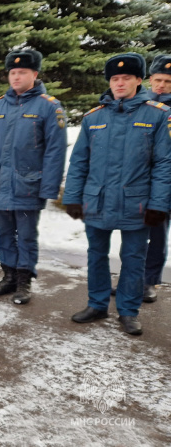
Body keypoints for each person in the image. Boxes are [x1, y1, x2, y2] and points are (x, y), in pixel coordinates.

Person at [64, 53, 171, 336]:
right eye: (114, 78)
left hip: (137, 203)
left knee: (134, 258)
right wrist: (73, 197)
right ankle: (97, 304)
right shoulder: (94, 117)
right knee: (96, 254)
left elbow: (164, 163)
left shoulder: (159, 115)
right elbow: (79, 162)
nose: (120, 83)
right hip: (97, 200)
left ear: (139, 80)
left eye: (126, 78)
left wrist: (159, 204)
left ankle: (128, 310)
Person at [0, 50, 67, 305]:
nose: (16, 77)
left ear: (34, 74)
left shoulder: (49, 107)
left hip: (27, 186)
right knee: (3, 234)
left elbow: (55, 153)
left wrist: (48, 188)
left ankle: (24, 281)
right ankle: (8, 275)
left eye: (22, 72)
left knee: (25, 236)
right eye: (12, 72)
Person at [139, 54, 171, 303]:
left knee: (158, 233)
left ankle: (150, 281)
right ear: (150, 79)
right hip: (138, 179)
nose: (161, 86)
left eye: (168, 82)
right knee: (135, 232)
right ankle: (132, 279)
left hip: (164, 181)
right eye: (158, 80)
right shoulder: (139, 103)